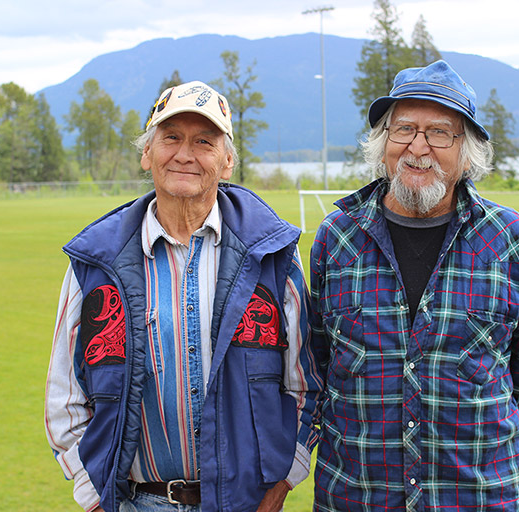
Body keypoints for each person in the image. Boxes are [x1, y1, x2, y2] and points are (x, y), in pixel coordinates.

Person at [45, 80, 322, 512]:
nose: (185, 154)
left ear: (227, 161)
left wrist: (282, 483)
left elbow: (307, 384)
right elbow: (64, 396)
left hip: (246, 503)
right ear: (147, 153)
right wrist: (91, 494)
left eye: (204, 142)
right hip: (135, 502)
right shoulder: (95, 263)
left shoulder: (272, 256)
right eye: (170, 137)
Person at [309, 60, 519, 511]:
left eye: (440, 132)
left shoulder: (511, 240)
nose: (418, 147)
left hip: (477, 497)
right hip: (358, 497)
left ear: (468, 151)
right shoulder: (337, 237)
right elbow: (319, 364)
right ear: (383, 145)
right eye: (403, 130)